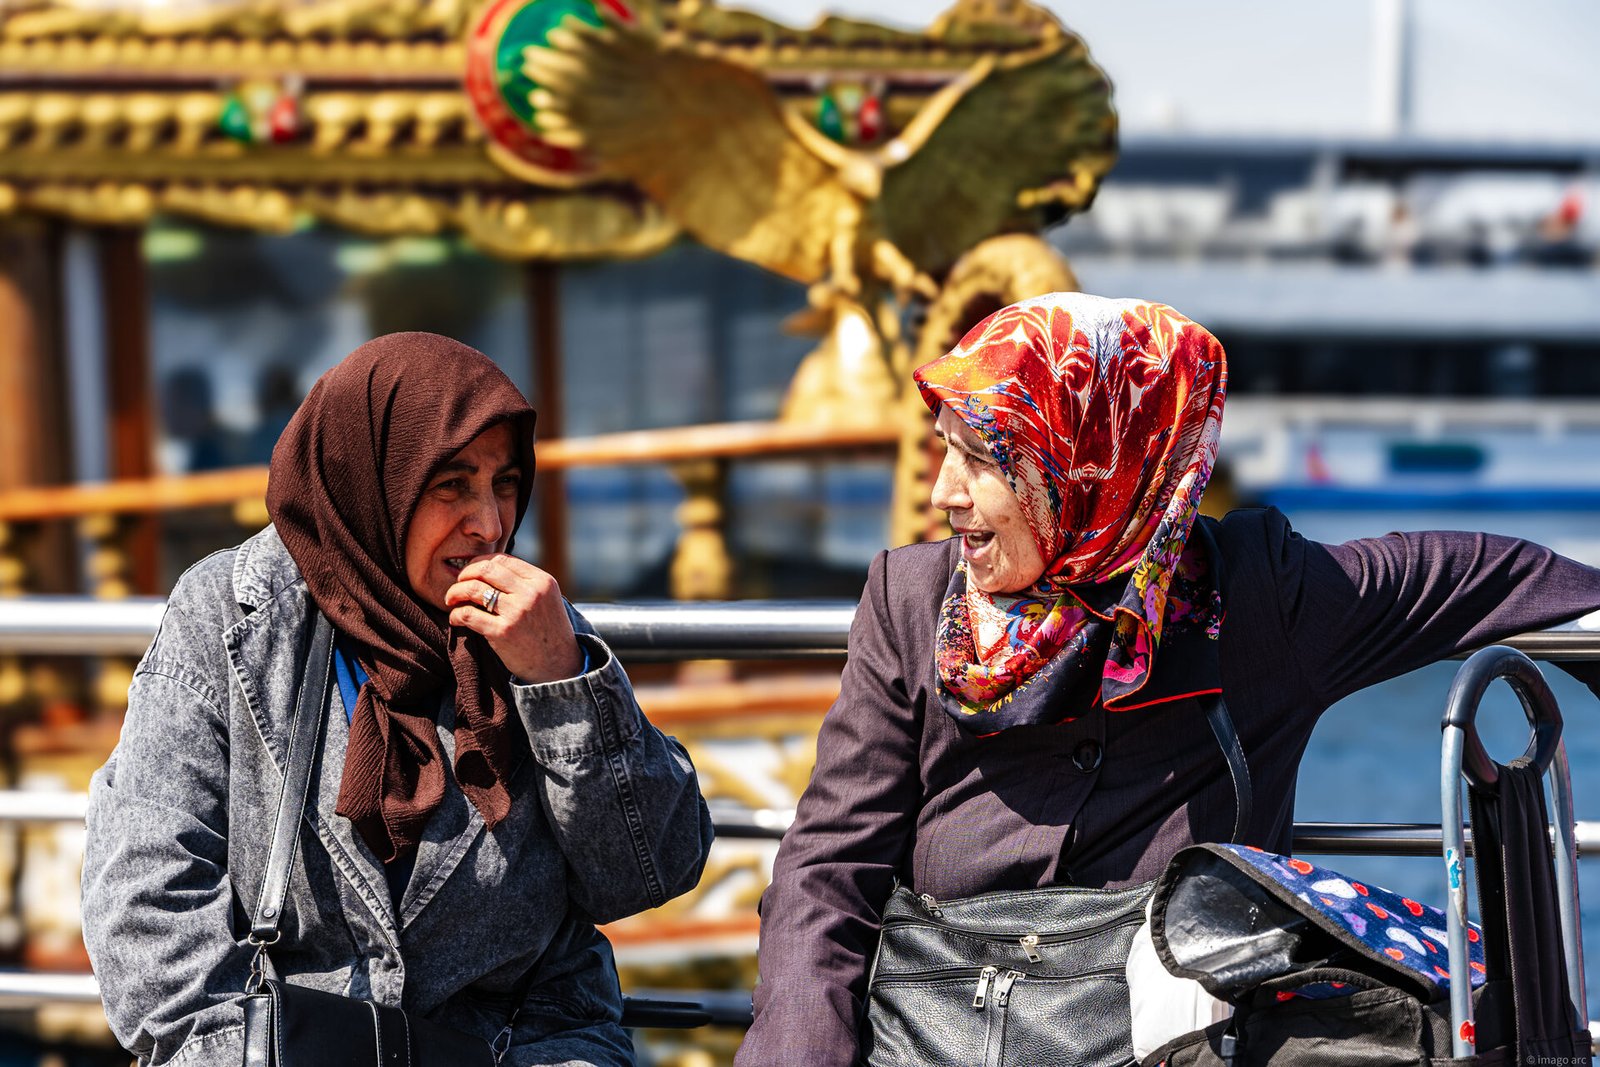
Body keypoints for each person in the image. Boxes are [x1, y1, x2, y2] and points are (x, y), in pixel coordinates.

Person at [734, 292, 1600, 1066]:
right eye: (944, 452)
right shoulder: (912, 599)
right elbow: (829, 867)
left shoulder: (1259, 596)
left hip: (1170, 1031)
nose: (943, 494)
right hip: (939, 1019)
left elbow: (1470, 575)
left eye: (982, 459)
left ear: (1090, 460)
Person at [82, 332, 714, 1067]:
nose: (489, 523)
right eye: (452, 484)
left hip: (525, 1050)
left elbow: (654, 867)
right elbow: (144, 902)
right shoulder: (232, 619)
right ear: (373, 479)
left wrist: (561, 680)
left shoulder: (529, 627)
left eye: (505, 482)